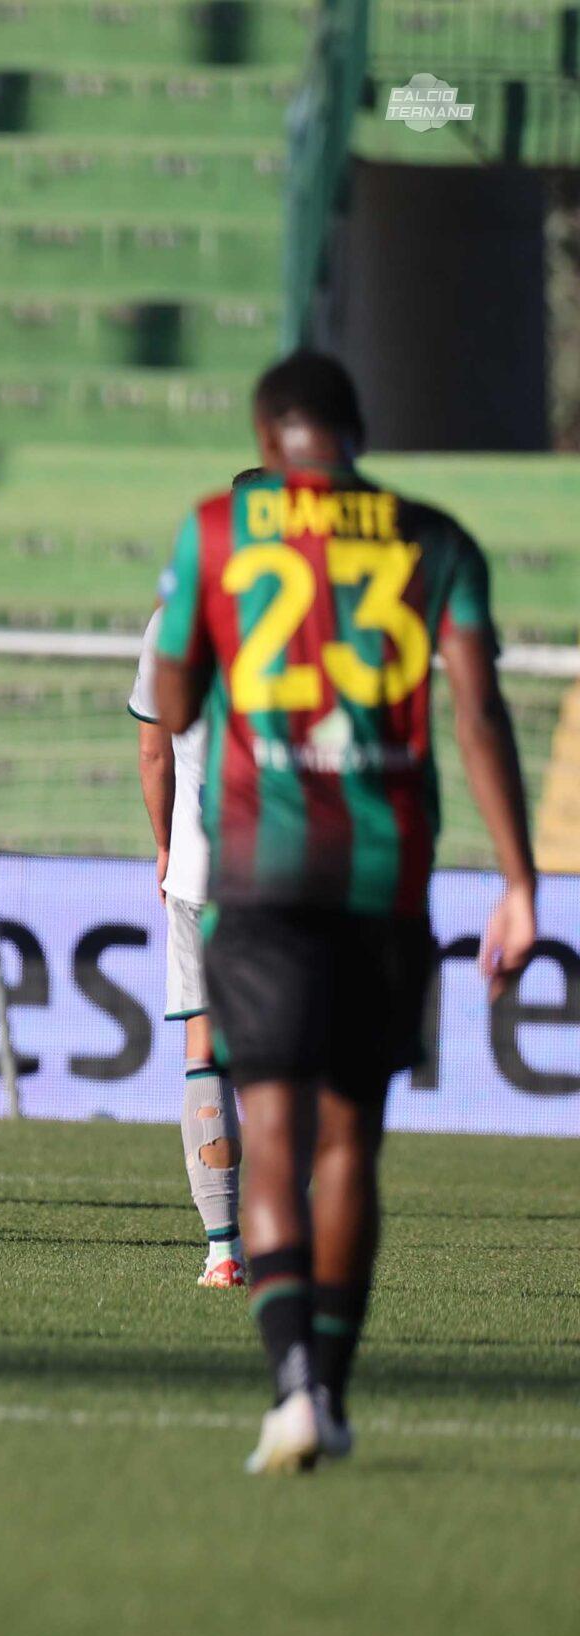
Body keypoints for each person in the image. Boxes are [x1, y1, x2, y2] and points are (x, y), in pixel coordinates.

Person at [151, 351, 538, 1473]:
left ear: (266, 440)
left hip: (258, 878)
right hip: (383, 880)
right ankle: (330, 1385)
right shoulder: (434, 539)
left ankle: (290, 1393)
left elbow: (170, 697)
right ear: (360, 432)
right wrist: (519, 881)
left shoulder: (217, 531)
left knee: (272, 1131)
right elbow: (478, 713)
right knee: (352, 1145)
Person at [125, 468, 265, 1290]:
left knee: (206, 1048)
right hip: (298, 866)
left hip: (204, 868)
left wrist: (165, 845)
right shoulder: (320, 617)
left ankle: (224, 1250)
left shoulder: (175, 620)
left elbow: (153, 750)